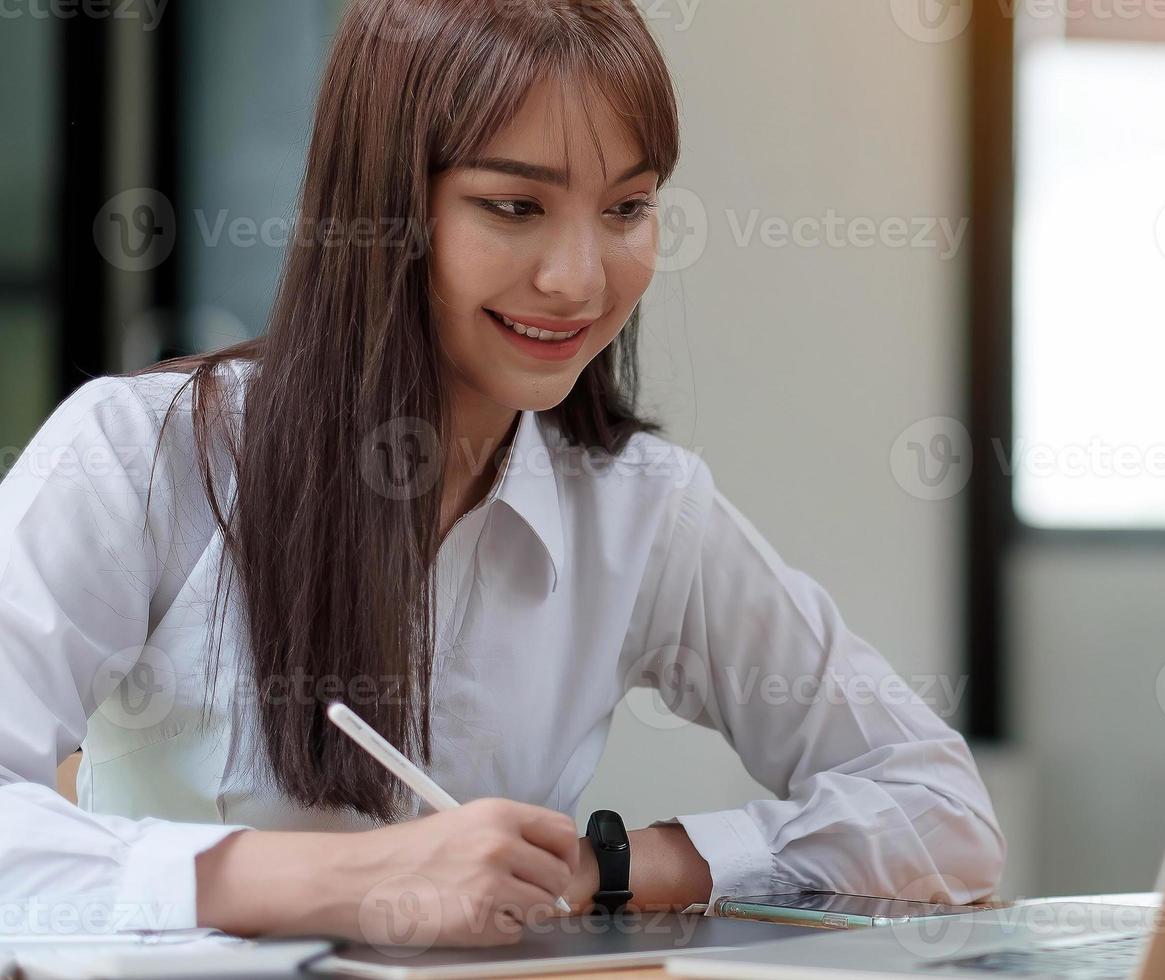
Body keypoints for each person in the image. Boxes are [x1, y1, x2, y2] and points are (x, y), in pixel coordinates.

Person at [0, 0, 1003, 947]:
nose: (578, 277)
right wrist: (351, 880)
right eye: (514, 205)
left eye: (627, 207)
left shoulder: (640, 507)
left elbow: (940, 809)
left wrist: (609, 865)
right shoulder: (139, 454)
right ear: (385, 207)